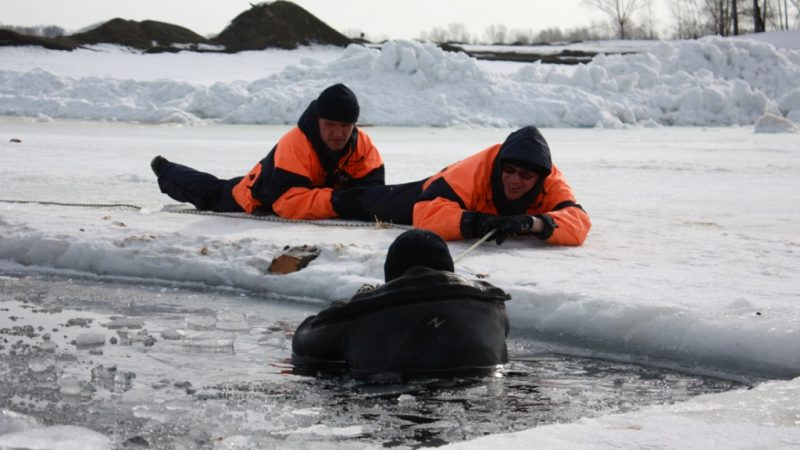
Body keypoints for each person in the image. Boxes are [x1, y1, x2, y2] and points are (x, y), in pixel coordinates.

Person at [150, 83, 385, 220]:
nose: (338, 133)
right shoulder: (296, 143)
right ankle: (167, 171)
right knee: (208, 194)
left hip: (302, 188)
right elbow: (286, 203)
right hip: (252, 195)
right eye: (330, 125)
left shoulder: (362, 145)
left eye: (345, 126)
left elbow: (373, 192)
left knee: (214, 186)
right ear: (318, 120)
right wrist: (340, 201)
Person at [291, 229, 511, 374]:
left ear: (392, 276)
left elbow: (303, 342)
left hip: (393, 397)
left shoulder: (365, 311)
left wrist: (352, 302)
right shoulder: (492, 305)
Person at [354, 126, 591, 246]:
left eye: (525, 175)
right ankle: (324, 197)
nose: (514, 180)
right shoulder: (477, 170)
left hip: (459, 204)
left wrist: (533, 223)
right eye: (508, 170)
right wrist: (478, 223)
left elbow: (578, 221)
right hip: (427, 192)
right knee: (360, 202)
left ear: (540, 178)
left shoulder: (551, 180)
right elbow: (425, 213)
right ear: (499, 166)